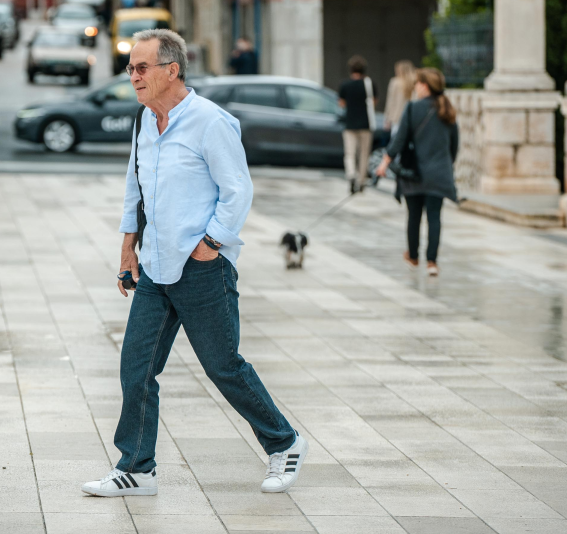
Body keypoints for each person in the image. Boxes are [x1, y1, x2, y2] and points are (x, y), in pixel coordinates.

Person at [82, 28, 307, 498]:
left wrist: (211, 243)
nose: (133, 76)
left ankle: (284, 442)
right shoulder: (145, 121)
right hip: (155, 268)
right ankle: (137, 468)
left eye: (141, 67)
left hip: (202, 268)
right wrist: (128, 248)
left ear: (172, 70)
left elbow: (238, 190)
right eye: (130, 68)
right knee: (136, 368)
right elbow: (134, 188)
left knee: (224, 367)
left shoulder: (211, 122)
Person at [374, 67, 459, 277]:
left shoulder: (413, 108)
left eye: (418, 84)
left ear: (425, 86)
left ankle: (413, 257)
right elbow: (454, 146)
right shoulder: (447, 109)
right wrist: (446, 166)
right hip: (439, 173)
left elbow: (399, 140)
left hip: (415, 173)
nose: (415, 87)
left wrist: (384, 164)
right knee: (434, 218)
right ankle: (432, 262)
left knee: (414, 216)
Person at [337, 56, 375, 194]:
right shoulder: (369, 84)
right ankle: (361, 180)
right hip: (366, 124)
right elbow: (373, 102)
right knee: (364, 154)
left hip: (350, 124)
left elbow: (341, 103)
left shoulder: (345, 85)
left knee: (350, 153)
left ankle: (351, 175)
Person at [384, 60, 417, 131]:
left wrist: (387, 118)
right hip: (413, 117)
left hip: (397, 117)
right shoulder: (415, 82)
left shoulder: (395, 82)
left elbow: (391, 102)